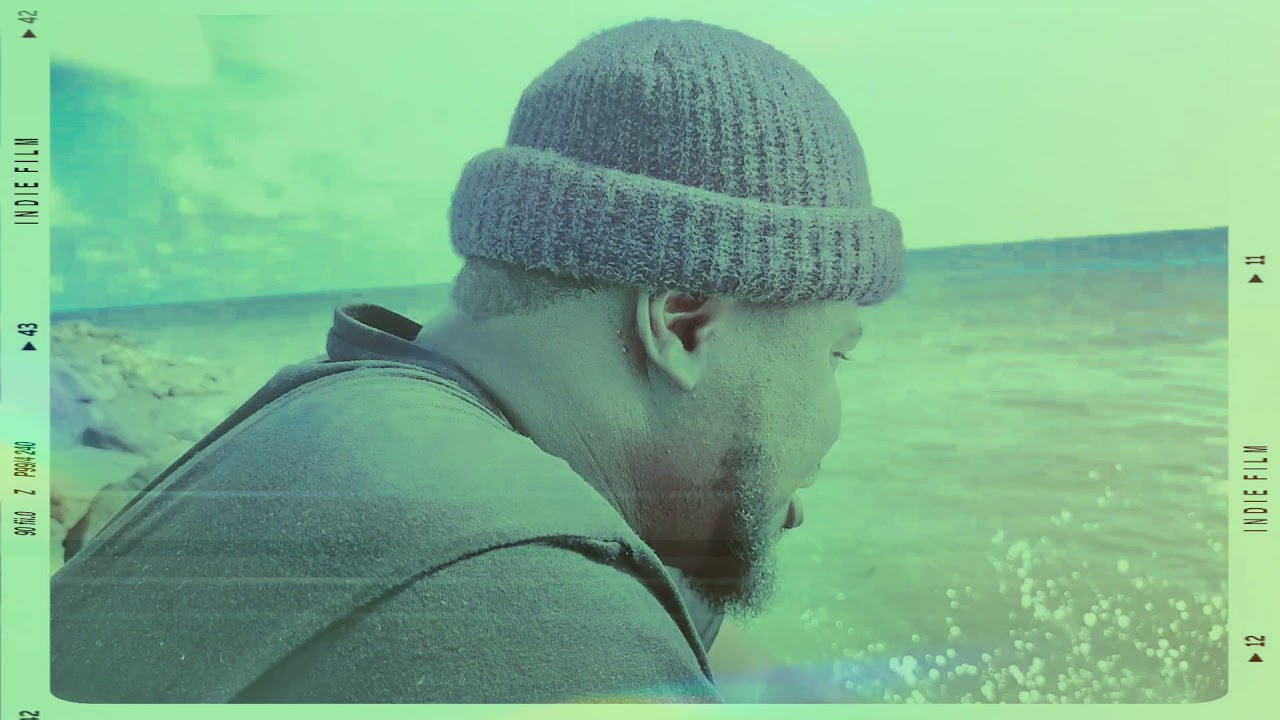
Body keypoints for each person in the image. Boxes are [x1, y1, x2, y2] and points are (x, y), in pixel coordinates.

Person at [50, 17, 904, 703]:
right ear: (681, 324)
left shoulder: (344, 411)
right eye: (836, 355)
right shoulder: (545, 623)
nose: (829, 432)